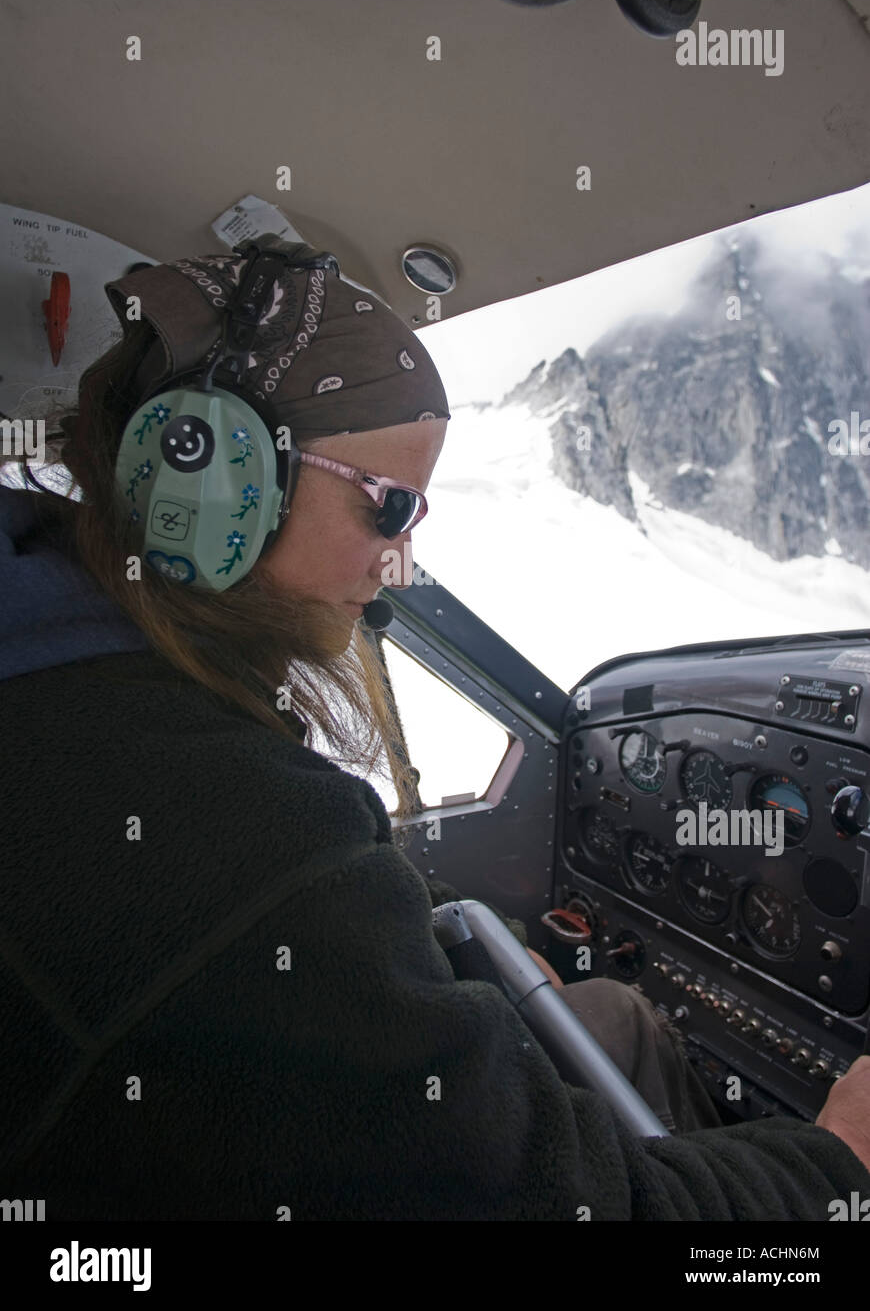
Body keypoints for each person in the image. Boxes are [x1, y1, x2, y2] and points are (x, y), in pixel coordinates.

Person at [0, 238, 868, 1221]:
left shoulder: (56, 648)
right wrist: (837, 1165)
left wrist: (454, 941)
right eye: (391, 508)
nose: (400, 561)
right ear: (205, 469)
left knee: (613, 1016)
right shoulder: (224, 832)